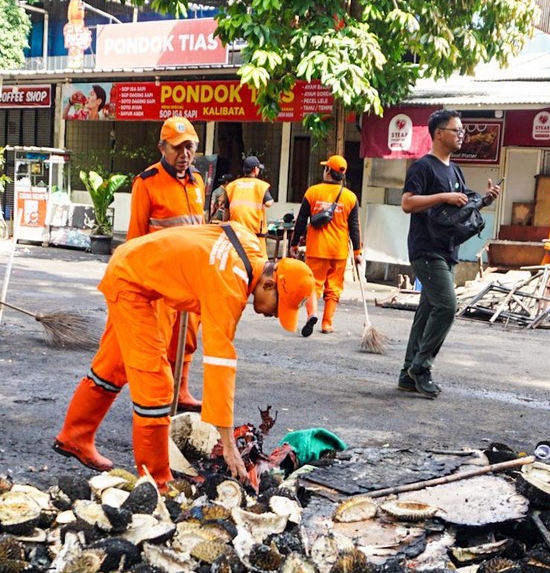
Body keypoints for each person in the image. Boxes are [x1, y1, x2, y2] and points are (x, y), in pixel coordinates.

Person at [52, 222, 315, 488]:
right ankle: (156, 481)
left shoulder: (249, 244)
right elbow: (219, 363)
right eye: (278, 308)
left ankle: (75, 437)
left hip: (136, 266)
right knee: (156, 385)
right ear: (269, 284)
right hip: (132, 283)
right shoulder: (230, 288)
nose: (273, 315)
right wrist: (228, 445)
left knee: (114, 365)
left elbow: (205, 247)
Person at [398, 109, 501, 398]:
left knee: (427, 311)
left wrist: (483, 201)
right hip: (426, 248)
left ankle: (407, 373)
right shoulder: (423, 168)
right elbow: (407, 203)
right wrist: (443, 196)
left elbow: (461, 209)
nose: (462, 135)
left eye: (462, 131)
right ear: (439, 133)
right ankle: (421, 367)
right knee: (447, 307)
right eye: (457, 130)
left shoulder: (454, 170)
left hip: (448, 249)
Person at [127, 117, 206, 413]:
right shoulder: (146, 182)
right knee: (158, 341)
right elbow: (135, 238)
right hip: (160, 282)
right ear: (162, 147)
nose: (184, 154)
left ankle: (181, 390)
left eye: (190, 147)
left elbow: (200, 226)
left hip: (191, 278)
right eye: (177, 148)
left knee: (186, 340)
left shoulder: (197, 181)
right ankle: (157, 397)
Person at [289, 154, 361, 336]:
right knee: (334, 289)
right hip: (339, 251)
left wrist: (294, 244)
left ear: (328, 170)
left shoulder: (312, 192)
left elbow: (301, 221)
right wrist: (358, 251)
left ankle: (312, 314)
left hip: (317, 249)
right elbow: (354, 227)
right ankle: (327, 324)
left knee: (313, 285)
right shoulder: (350, 197)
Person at [223, 156, 274, 236]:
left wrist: (225, 227)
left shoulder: (232, 185)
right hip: (255, 234)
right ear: (255, 169)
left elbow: (226, 210)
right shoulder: (261, 185)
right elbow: (268, 203)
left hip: (236, 233)